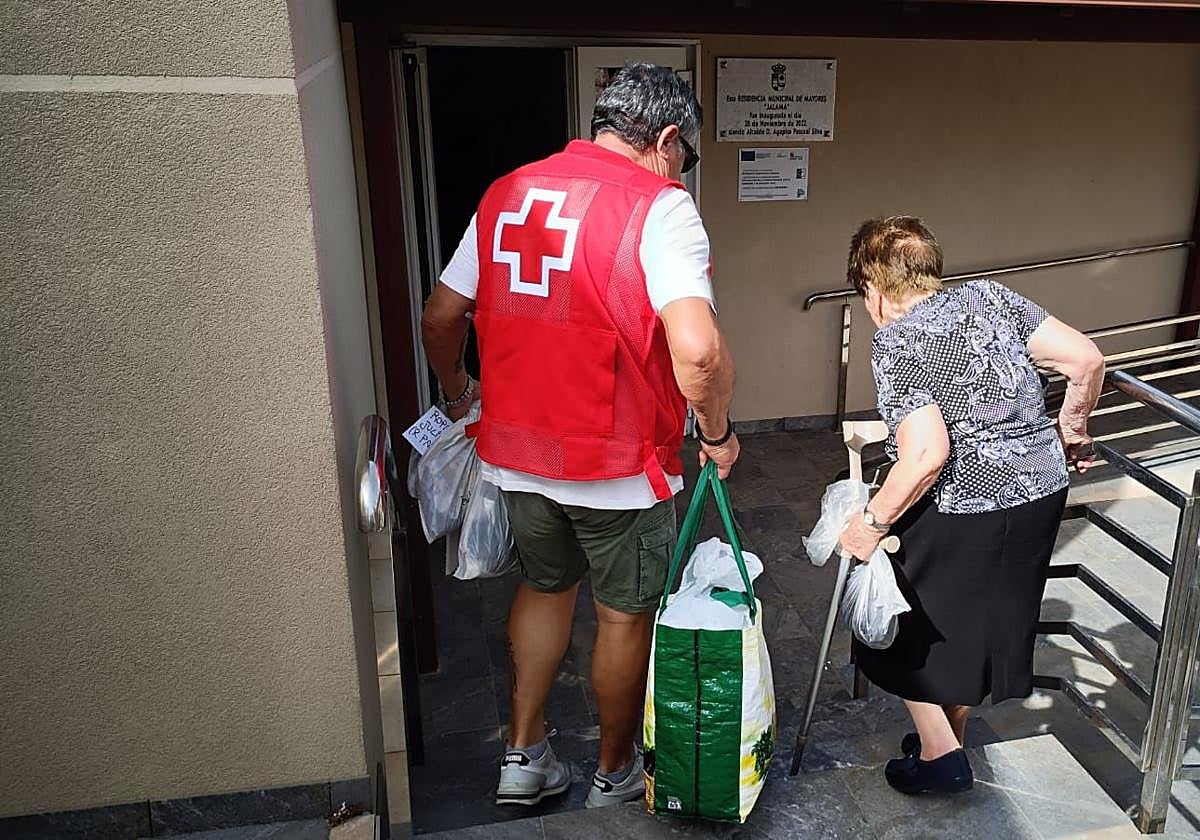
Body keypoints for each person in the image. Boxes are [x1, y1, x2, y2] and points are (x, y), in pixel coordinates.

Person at [420, 63, 739, 809]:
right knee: (622, 614)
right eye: (687, 156)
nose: (683, 171)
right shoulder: (661, 208)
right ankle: (614, 773)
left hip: (518, 456)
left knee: (544, 587)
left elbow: (440, 316)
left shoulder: (507, 193)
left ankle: (524, 756)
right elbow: (698, 351)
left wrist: (460, 393)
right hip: (619, 464)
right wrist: (717, 432)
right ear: (666, 139)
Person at [837, 216, 1104, 795]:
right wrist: (1073, 430)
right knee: (976, 623)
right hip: (1039, 490)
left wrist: (871, 522)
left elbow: (926, 455)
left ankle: (941, 758)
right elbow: (1085, 360)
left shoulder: (897, 340)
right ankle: (950, 739)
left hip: (967, 498)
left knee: (902, 611)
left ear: (873, 289)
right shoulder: (991, 297)